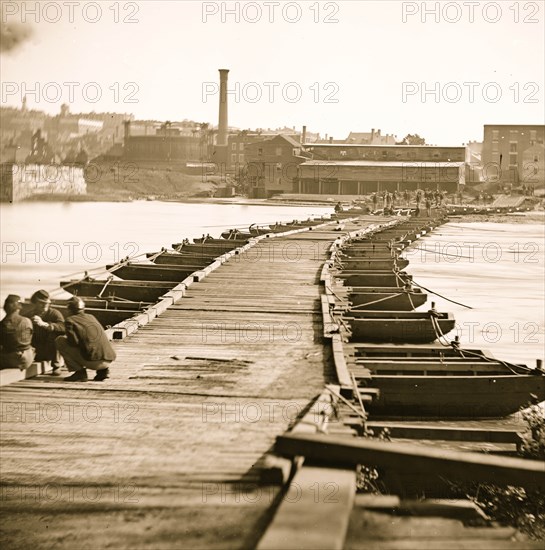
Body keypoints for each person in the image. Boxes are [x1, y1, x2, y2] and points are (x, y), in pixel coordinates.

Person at [56, 297, 116, 382]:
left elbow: (73, 342)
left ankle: (79, 373)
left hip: (93, 362)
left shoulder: (70, 320)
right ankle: (102, 372)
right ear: (83, 308)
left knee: (60, 341)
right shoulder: (91, 317)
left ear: (69, 310)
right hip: (109, 360)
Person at [22, 290, 65, 375]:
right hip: (36, 350)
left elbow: (63, 327)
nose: (45, 305)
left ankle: (56, 366)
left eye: (46, 302)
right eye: (41, 303)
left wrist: (45, 325)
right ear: (35, 303)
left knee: (56, 335)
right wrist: (27, 323)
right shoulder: (28, 315)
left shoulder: (54, 313)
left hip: (51, 350)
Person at [0, 295, 35, 370]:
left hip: (11, 360)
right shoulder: (27, 320)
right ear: (19, 308)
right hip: (27, 359)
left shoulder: (2, 324)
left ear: (5, 309)